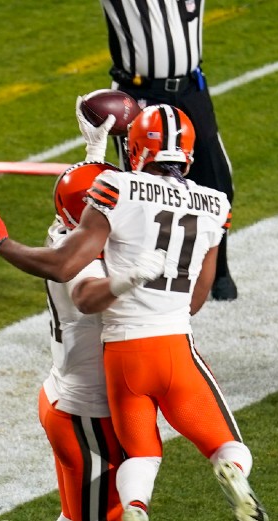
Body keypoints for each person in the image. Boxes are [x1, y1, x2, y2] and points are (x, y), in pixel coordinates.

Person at [0, 104, 268, 521]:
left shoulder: (98, 209)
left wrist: (2, 239)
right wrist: (131, 277)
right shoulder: (213, 202)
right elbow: (96, 290)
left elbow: (95, 216)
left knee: (125, 471)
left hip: (107, 371)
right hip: (116, 385)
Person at [8, 108, 165, 521]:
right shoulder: (88, 265)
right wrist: (136, 280)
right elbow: (94, 287)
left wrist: (98, 143)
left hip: (64, 398)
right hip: (90, 414)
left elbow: (95, 197)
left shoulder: (66, 229)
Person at [99, 0, 239, 301]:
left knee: (218, 184)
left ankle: (218, 272)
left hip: (192, 88)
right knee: (142, 191)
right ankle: (139, 274)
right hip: (140, 92)